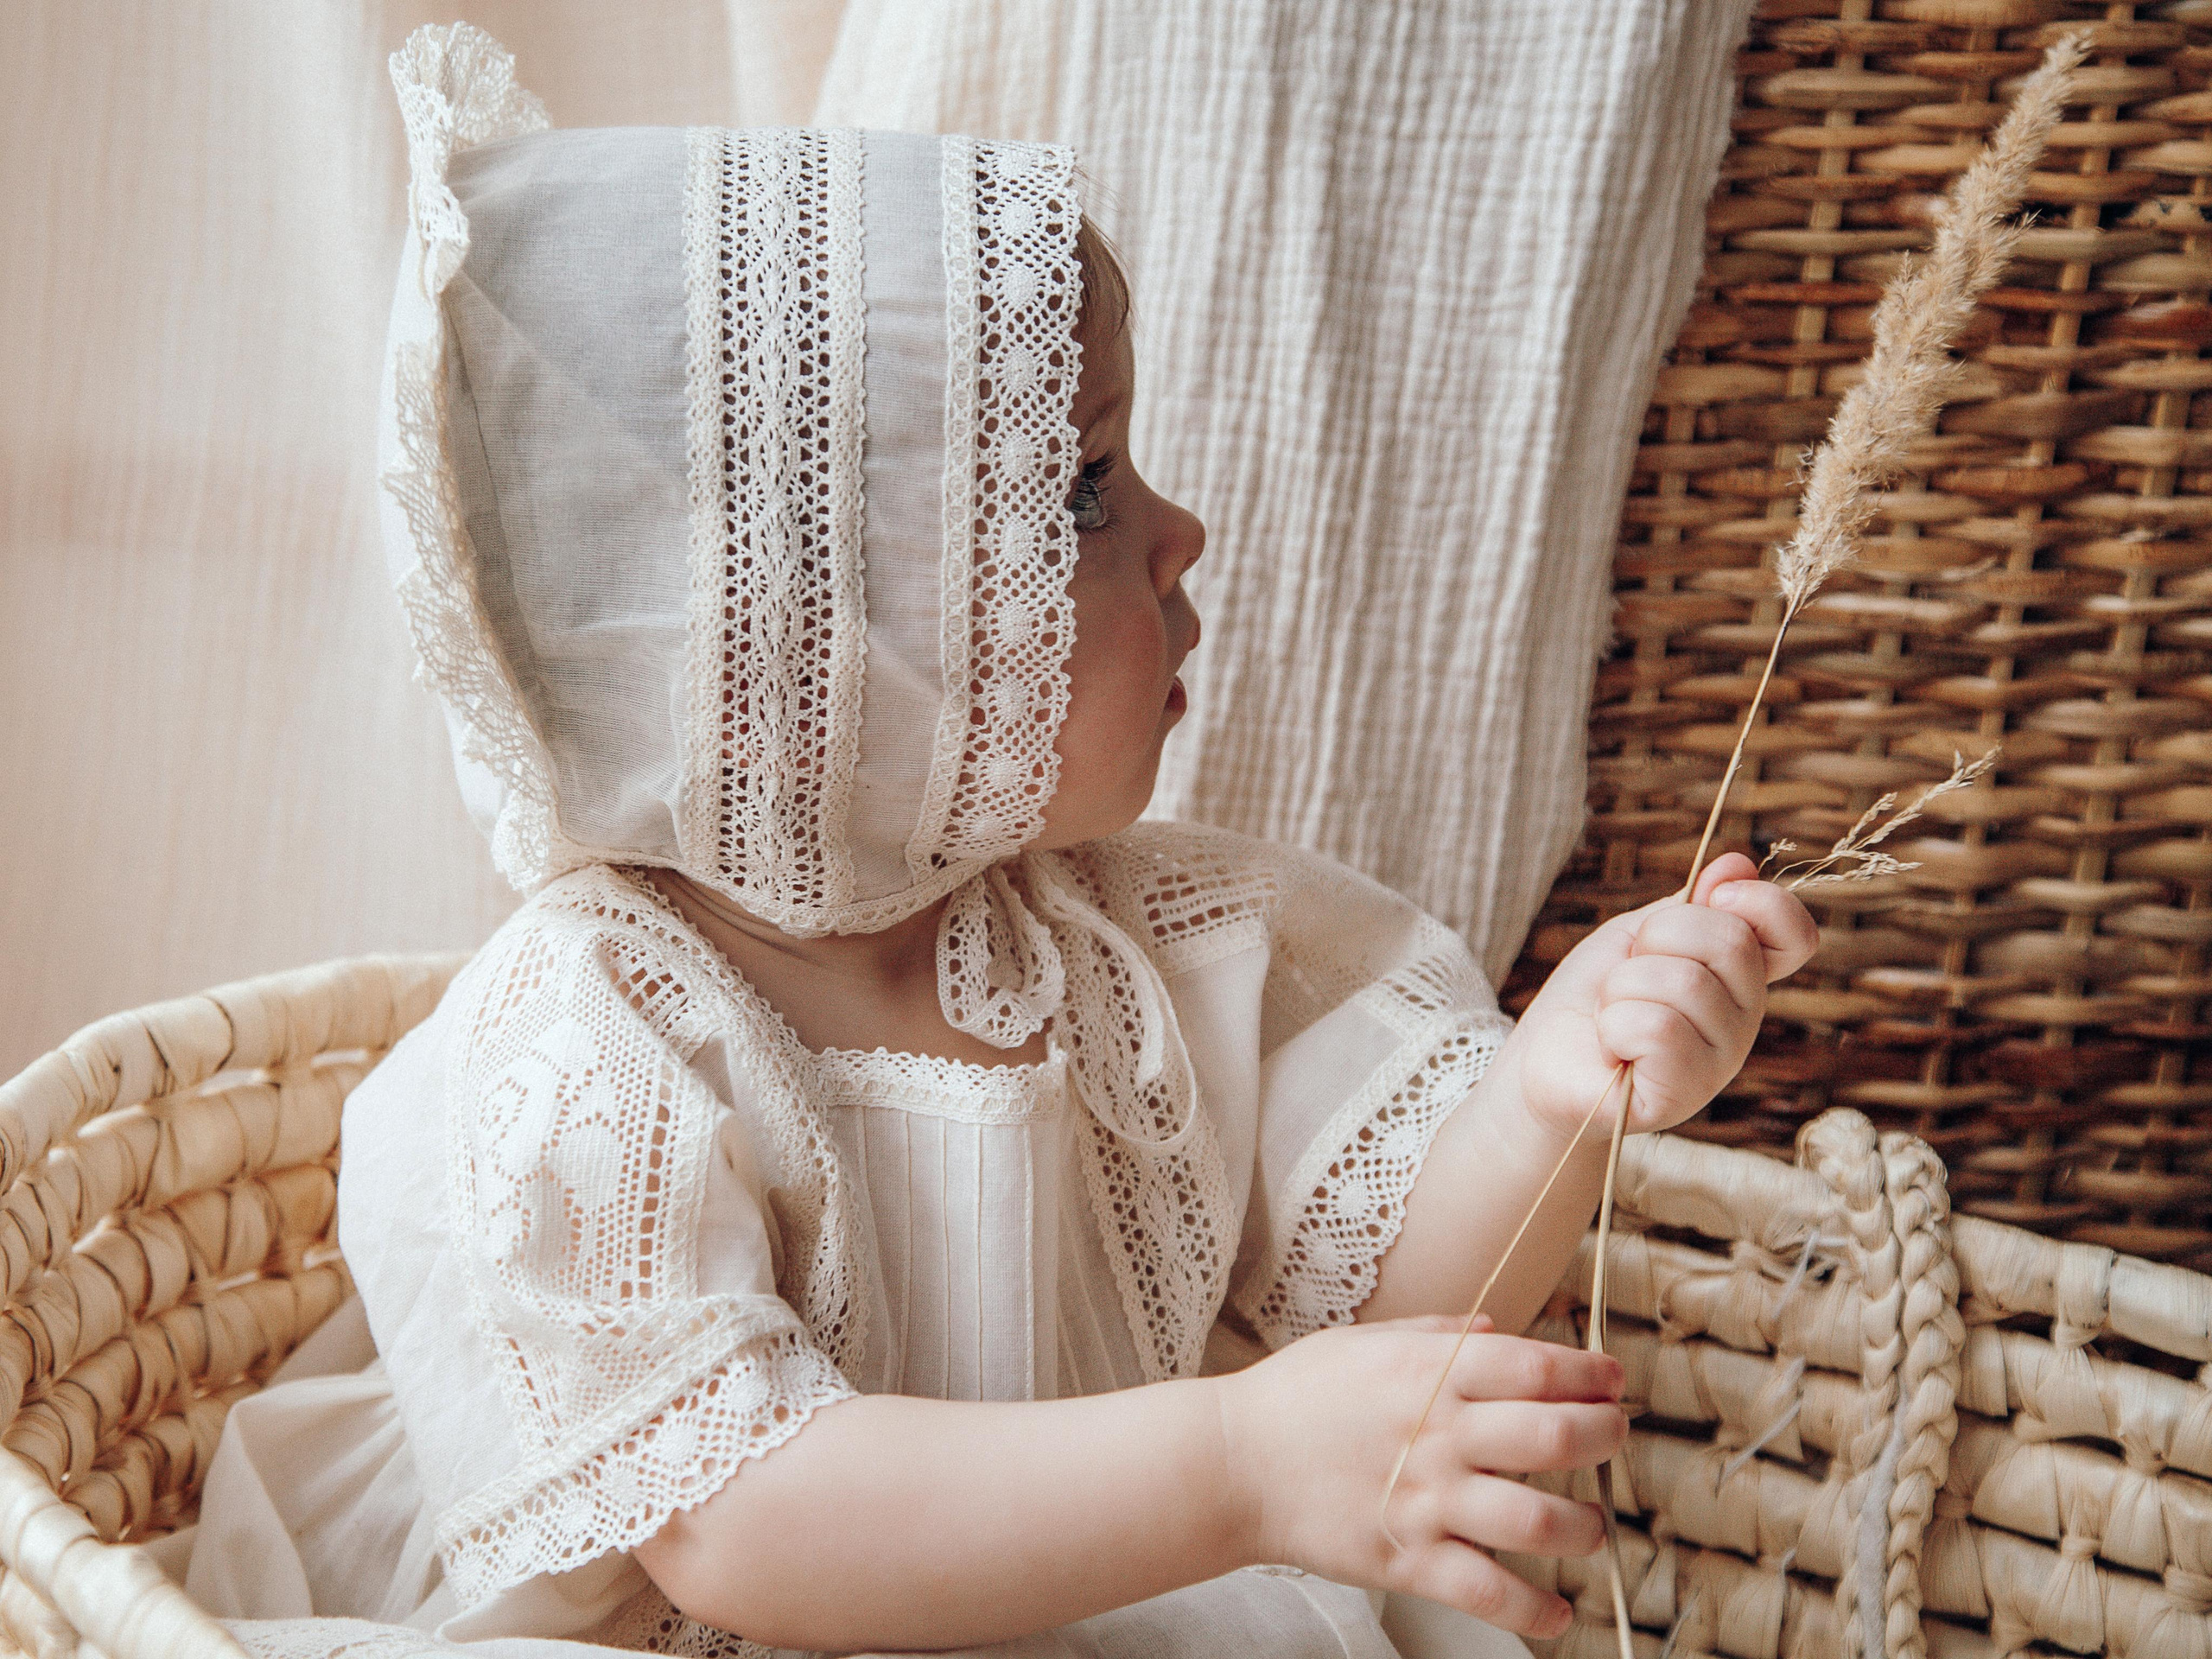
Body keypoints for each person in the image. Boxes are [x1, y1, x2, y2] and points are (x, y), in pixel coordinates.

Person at [168, 23, 1818, 1659]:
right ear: (829, 658)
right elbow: (737, 1525)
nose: (1183, 533)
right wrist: (1240, 1463)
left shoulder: (1147, 950)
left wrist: (1550, 1097)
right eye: (1089, 489)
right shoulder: (594, 1034)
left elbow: (1382, 1334)